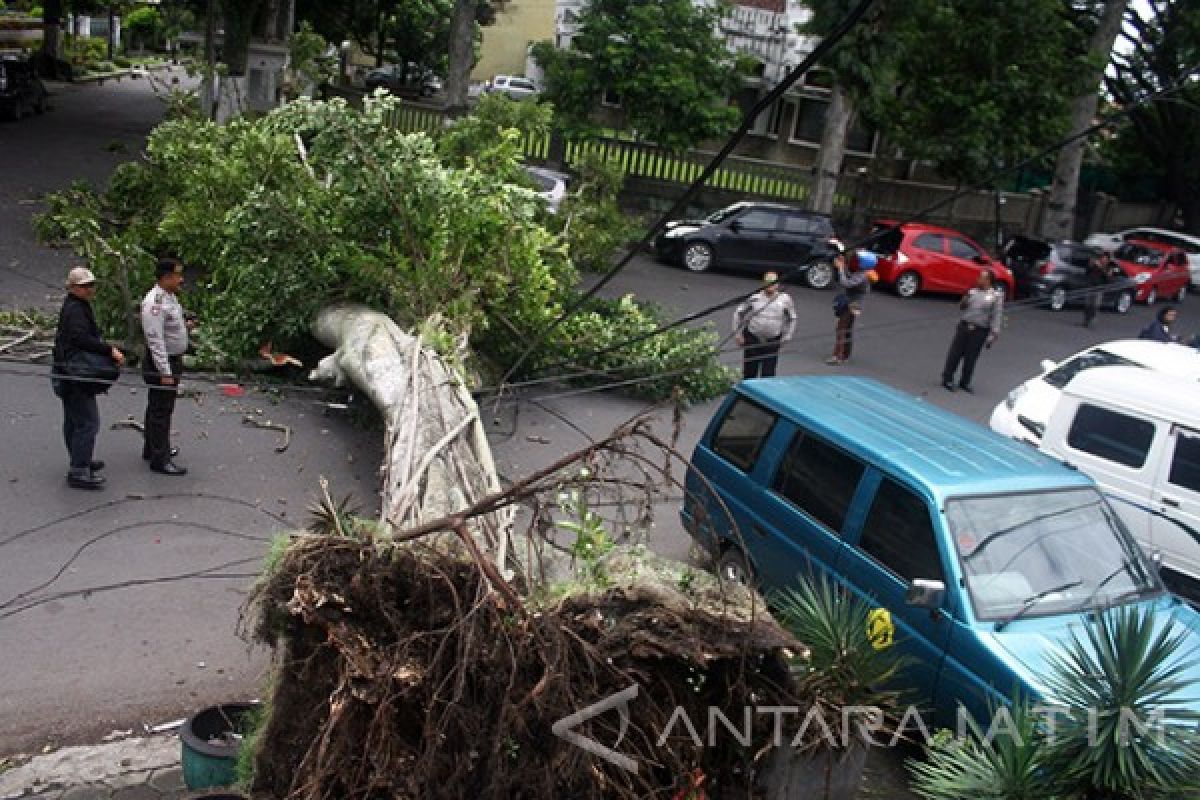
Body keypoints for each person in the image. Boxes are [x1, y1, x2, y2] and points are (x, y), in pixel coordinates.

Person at [52, 266, 126, 489]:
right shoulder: (76, 311)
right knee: (87, 422)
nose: (90, 290)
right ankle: (79, 470)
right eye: (85, 286)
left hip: (66, 370)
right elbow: (81, 338)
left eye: (91, 285)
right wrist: (108, 350)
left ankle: (80, 458)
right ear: (73, 288)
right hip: (76, 374)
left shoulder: (75, 305)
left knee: (74, 420)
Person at [141, 258, 193, 475]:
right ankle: (159, 459)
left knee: (157, 406)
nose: (181, 279)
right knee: (161, 410)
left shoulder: (170, 297)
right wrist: (165, 372)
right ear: (166, 277)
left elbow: (170, 326)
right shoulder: (155, 303)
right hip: (163, 362)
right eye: (177, 275)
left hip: (173, 359)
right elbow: (156, 340)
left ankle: (152, 448)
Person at [941, 269, 1003, 393]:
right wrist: (965, 299)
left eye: (982, 278)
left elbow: (996, 315)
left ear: (988, 281)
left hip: (979, 330)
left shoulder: (995, 297)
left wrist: (994, 333)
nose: (978, 280)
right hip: (964, 327)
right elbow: (962, 307)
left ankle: (965, 381)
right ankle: (947, 378)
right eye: (979, 277)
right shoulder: (972, 292)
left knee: (971, 357)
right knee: (955, 354)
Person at [733, 272, 796, 379]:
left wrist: (788, 336)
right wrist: (737, 334)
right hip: (753, 339)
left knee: (768, 375)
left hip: (772, 342)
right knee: (749, 374)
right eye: (768, 283)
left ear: (778, 284)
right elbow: (739, 313)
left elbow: (792, 318)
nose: (771, 286)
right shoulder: (755, 297)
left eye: (774, 283)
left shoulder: (785, 299)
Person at [826, 249, 877, 365]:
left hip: (853, 304)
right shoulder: (863, 273)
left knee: (841, 329)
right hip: (855, 303)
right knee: (847, 329)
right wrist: (843, 266)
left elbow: (846, 283)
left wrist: (840, 269)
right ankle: (845, 354)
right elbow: (850, 277)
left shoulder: (862, 275)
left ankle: (837, 356)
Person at [1082, 250, 1115, 328]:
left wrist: (1101, 269)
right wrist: (1090, 265)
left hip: (1099, 289)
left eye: (1105, 258)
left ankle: (1092, 321)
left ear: (1108, 260)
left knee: (1095, 305)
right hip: (1090, 286)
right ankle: (1086, 320)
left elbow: (1109, 280)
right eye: (1103, 258)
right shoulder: (1095, 264)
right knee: (1087, 304)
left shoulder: (1109, 268)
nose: (1103, 259)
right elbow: (1087, 272)